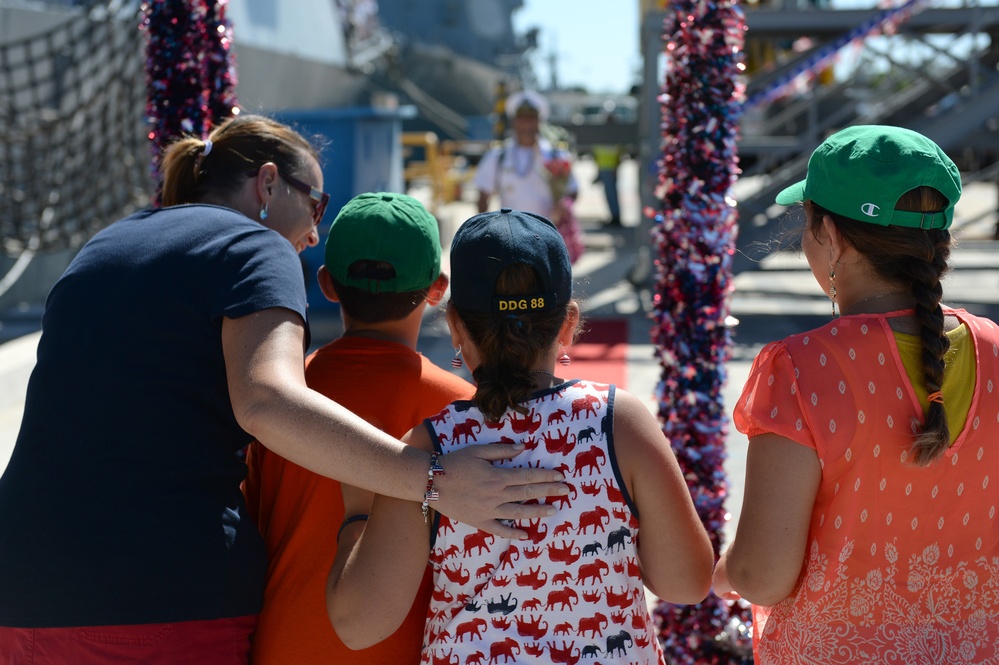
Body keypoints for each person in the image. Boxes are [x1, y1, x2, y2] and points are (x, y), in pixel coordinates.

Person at [0, 114, 566, 665]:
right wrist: (434, 480)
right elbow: (266, 402)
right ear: (268, 183)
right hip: (159, 594)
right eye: (316, 205)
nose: (314, 233)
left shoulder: (108, 243)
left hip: (23, 586)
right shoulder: (252, 245)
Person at [328, 209, 714, 663]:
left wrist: (358, 514)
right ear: (568, 324)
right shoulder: (618, 421)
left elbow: (359, 624)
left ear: (454, 326)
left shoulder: (431, 449)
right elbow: (686, 583)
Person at [712, 125, 999, 663]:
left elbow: (763, 575)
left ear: (832, 236)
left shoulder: (800, 369)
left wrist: (723, 572)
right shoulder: (995, 349)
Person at [243, 191, 475, 665]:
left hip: (283, 646)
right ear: (437, 288)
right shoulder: (463, 409)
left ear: (327, 284)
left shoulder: (282, 399)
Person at [474, 90, 585, 263]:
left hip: (548, 237)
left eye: (531, 118)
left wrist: (564, 205)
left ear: (539, 121)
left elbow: (573, 190)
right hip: (510, 239)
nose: (526, 123)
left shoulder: (556, 155)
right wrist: (484, 234)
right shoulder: (498, 156)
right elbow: (483, 195)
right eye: (522, 117)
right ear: (514, 121)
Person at [591, 114, 623, 227]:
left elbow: (619, 153)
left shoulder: (613, 135)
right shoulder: (604, 133)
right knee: (609, 194)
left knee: (611, 194)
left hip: (610, 168)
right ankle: (613, 216)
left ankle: (616, 218)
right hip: (603, 166)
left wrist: (615, 167)